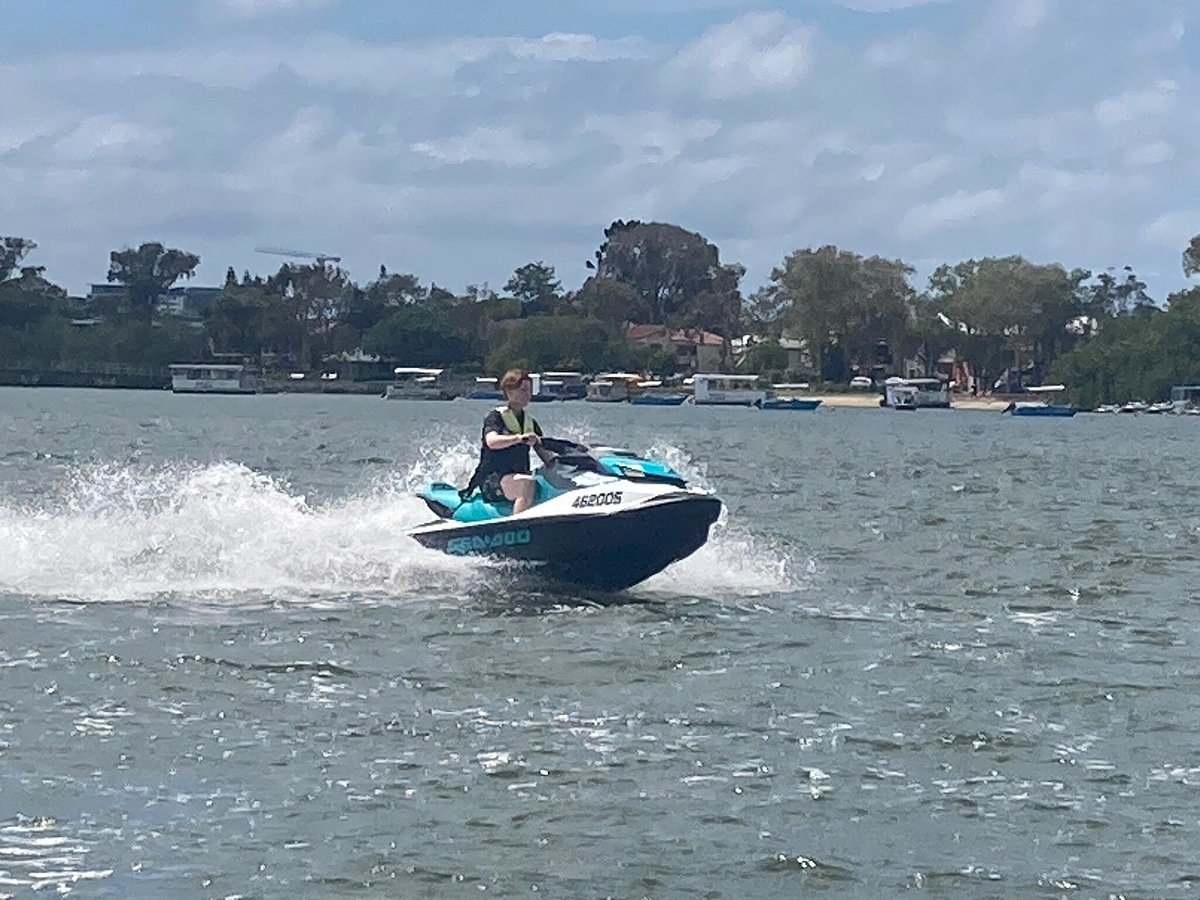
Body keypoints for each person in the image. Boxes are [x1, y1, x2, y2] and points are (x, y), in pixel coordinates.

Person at [464, 368, 555, 513]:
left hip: (517, 476)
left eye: (530, 390)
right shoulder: (495, 417)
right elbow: (492, 441)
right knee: (527, 485)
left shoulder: (530, 423)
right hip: (492, 480)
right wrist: (518, 438)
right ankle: (520, 526)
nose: (527, 394)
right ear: (509, 391)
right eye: (523, 389)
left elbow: (547, 456)